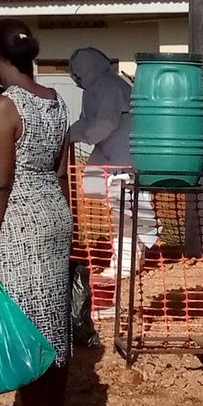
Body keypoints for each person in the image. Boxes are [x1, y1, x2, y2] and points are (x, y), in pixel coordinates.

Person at [0, 19, 73, 406]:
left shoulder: (4, 107)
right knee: (52, 314)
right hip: (53, 213)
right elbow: (60, 169)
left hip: (18, 220)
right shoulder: (55, 102)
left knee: (26, 318)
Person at [68, 47, 156, 279]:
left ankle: (126, 261)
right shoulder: (93, 89)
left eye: (78, 73)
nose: (75, 78)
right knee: (105, 195)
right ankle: (131, 253)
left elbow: (104, 123)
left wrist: (81, 136)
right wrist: (68, 134)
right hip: (109, 150)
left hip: (123, 151)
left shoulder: (108, 86)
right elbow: (86, 121)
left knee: (124, 206)